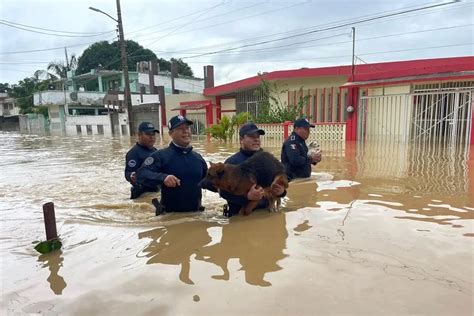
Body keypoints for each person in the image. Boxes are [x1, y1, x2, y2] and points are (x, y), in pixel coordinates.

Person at [136, 115, 208, 213]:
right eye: (180, 128)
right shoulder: (160, 156)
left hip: (196, 216)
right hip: (170, 218)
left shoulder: (198, 158)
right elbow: (140, 174)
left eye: (187, 128)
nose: (185, 131)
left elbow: (210, 182)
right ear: (171, 133)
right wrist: (163, 177)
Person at [220, 122, 286, 217]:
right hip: (240, 217)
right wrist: (247, 197)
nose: (256, 139)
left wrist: (281, 192)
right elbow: (223, 193)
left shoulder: (268, 160)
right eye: (251, 136)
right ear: (241, 139)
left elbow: (284, 180)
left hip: (265, 215)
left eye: (258, 136)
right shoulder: (231, 163)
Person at [125, 121, 160, 199]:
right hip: (141, 193)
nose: (152, 137)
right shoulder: (133, 153)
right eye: (148, 134)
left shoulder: (155, 151)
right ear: (139, 135)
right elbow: (128, 173)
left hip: (156, 191)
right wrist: (132, 175)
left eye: (153, 134)